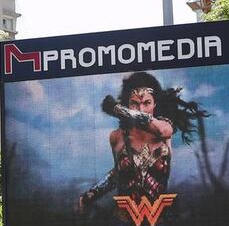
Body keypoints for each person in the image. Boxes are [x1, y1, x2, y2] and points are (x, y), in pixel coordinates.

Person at [78, 71, 205, 213]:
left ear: (155, 104)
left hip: (160, 217)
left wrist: (116, 109)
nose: (141, 109)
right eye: (134, 103)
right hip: (125, 220)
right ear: (127, 104)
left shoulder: (164, 128)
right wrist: (93, 193)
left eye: (147, 103)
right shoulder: (117, 137)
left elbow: (162, 130)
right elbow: (119, 174)